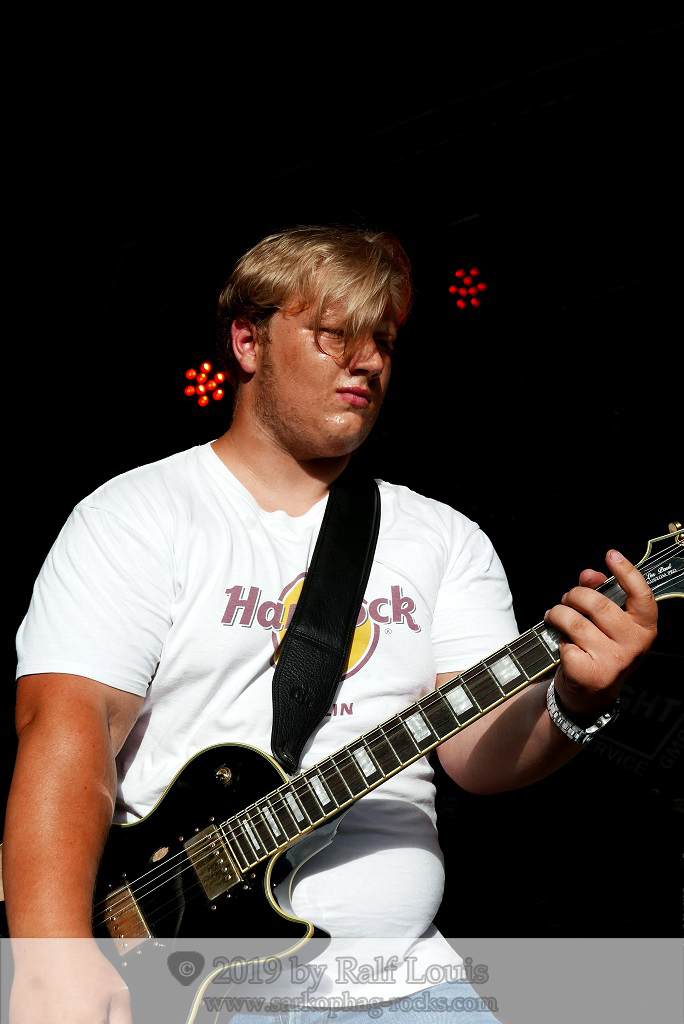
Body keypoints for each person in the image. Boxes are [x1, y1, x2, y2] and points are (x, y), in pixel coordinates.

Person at [5, 225, 658, 1024]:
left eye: (382, 340)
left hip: (414, 990)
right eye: (334, 334)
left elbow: (478, 755)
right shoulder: (136, 516)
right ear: (248, 342)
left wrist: (577, 701)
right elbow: (68, 729)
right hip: (194, 991)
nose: (368, 361)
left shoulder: (442, 539)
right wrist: (52, 958)